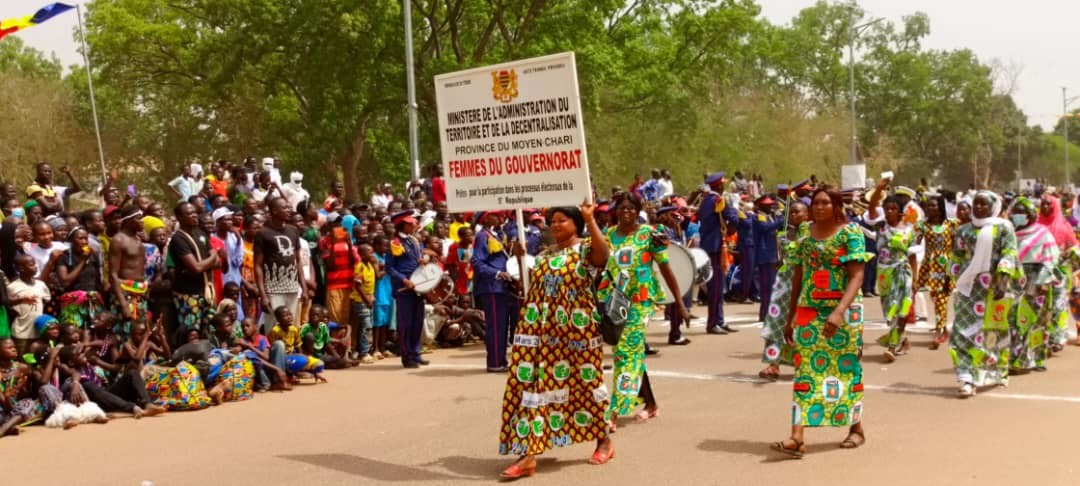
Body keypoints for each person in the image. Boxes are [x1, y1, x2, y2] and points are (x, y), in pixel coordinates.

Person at [497, 202, 613, 479]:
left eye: (562, 220)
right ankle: (528, 454)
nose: (556, 225)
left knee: (586, 384)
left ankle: (604, 440)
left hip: (576, 331)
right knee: (531, 386)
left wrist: (591, 219)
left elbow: (604, 257)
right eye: (553, 221)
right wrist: (522, 260)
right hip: (539, 332)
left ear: (576, 224)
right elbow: (532, 289)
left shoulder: (585, 248)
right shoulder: (544, 254)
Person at [771, 188, 870, 458]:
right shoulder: (805, 233)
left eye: (826, 202)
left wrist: (838, 311)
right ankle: (797, 436)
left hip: (844, 311)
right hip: (809, 308)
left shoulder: (851, 233)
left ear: (837, 205)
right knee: (804, 370)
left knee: (845, 368)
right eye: (816, 202)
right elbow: (798, 275)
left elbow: (857, 276)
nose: (820, 207)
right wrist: (791, 315)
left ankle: (856, 428)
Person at [599, 192, 689, 425]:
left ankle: (615, 410)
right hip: (616, 302)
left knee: (625, 351)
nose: (626, 212)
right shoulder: (609, 235)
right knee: (633, 352)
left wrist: (679, 303)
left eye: (631, 208)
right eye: (622, 207)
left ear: (637, 211)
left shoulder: (649, 234)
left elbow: (666, 269)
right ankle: (650, 404)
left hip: (641, 301)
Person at [949, 191, 1018, 398]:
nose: (978, 208)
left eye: (983, 204)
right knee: (962, 331)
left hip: (994, 288)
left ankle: (994, 371)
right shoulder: (963, 230)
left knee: (992, 332)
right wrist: (950, 279)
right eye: (975, 204)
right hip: (968, 288)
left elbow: (1009, 252)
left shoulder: (1004, 228)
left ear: (993, 207)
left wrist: (1003, 280)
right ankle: (966, 377)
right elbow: (957, 256)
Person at [865, 182, 918, 362]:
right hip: (884, 274)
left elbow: (912, 256)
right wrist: (879, 188)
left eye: (893, 208)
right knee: (889, 310)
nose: (889, 212)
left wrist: (916, 278)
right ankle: (903, 339)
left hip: (903, 273)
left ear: (900, 211)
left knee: (901, 308)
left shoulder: (909, 231)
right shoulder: (880, 226)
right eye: (887, 208)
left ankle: (892, 346)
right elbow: (871, 208)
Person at [758, 200, 808, 380]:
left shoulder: (813, 234)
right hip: (783, 285)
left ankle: (804, 365)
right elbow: (782, 258)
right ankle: (774, 364)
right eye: (791, 212)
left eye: (798, 212)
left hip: (806, 282)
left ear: (807, 215)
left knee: (803, 324)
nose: (794, 215)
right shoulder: (784, 234)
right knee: (775, 323)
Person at [1008, 196, 1058, 373]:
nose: (1018, 215)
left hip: (1036, 278)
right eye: (1015, 212)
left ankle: (1037, 358)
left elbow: (1051, 258)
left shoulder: (1042, 233)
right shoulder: (1010, 233)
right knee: (1015, 318)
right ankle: (1017, 359)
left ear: (1030, 214)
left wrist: (1043, 281)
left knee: (1035, 320)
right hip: (1016, 279)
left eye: (1022, 212)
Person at [255, 198, 309, 333]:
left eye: (288, 207)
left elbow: (298, 261)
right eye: (284, 208)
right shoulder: (263, 233)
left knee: (291, 325)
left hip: (292, 286)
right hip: (273, 287)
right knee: (273, 326)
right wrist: (263, 295)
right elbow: (258, 265)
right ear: (274, 211)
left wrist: (304, 288)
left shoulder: (293, 230)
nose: (289, 210)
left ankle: (289, 347)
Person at [472, 210, 517, 372]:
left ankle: (501, 360)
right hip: (491, 286)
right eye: (495, 215)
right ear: (486, 219)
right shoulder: (482, 236)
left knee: (503, 326)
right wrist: (497, 273)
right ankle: (495, 362)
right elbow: (476, 262)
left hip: (502, 286)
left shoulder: (498, 235)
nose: (500, 217)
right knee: (496, 326)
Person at [169, 203, 221, 338]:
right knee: (191, 332)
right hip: (189, 294)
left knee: (210, 329)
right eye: (189, 213)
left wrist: (205, 263)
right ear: (179, 217)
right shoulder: (178, 239)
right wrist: (213, 256)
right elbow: (196, 267)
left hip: (206, 292)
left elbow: (218, 263)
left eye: (195, 212)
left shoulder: (201, 234)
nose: (194, 215)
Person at [914, 193, 957, 349]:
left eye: (934, 205)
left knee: (940, 298)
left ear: (940, 207)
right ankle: (943, 327)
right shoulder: (922, 225)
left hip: (945, 266)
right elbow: (914, 243)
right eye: (928, 206)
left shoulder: (952, 224)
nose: (930, 208)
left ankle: (939, 331)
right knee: (934, 297)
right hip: (929, 265)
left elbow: (957, 246)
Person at [1036, 195, 1079, 350]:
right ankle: (1041, 338)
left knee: (1058, 305)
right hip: (1039, 271)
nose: (1045, 207)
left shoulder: (1064, 225)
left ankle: (1058, 338)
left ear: (1055, 206)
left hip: (1059, 272)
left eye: (1049, 204)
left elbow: (1074, 246)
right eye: (1043, 204)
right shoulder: (1035, 225)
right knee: (1041, 306)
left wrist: (1067, 254)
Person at [696, 172, 737, 334]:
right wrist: (733, 224)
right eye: (722, 184)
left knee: (718, 285)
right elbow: (732, 217)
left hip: (711, 245)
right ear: (719, 185)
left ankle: (719, 319)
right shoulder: (717, 200)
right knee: (715, 286)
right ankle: (713, 323)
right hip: (714, 247)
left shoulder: (706, 200)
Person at [387, 210, 427, 368]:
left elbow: (416, 260)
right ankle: (407, 356)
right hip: (404, 288)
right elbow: (390, 268)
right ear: (402, 225)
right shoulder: (395, 243)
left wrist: (421, 261)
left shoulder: (413, 240)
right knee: (406, 324)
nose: (414, 225)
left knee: (417, 322)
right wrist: (404, 280)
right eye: (410, 224)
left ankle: (416, 353)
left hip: (418, 285)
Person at [108, 206, 149, 342]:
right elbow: (113, 274)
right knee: (123, 332)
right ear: (128, 220)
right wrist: (123, 303)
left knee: (139, 332)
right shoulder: (118, 240)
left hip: (140, 292)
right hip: (125, 292)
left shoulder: (138, 239)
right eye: (138, 219)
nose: (142, 221)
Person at [55, 227, 105, 330]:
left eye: (86, 238)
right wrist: (83, 261)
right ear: (71, 240)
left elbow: (98, 280)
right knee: (74, 332)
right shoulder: (64, 256)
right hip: (73, 303)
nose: (84, 242)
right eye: (80, 238)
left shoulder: (93, 255)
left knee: (93, 330)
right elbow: (65, 282)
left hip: (92, 301)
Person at [6, 255, 50, 356]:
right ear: (21, 268)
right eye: (32, 264)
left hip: (39, 331)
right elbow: (8, 305)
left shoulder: (41, 285)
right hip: (22, 333)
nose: (36, 266)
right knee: (23, 358)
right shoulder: (13, 287)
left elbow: (46, 300)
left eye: (35, 263)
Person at [753, 195, 781, 321]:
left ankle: (768, 312)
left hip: (771, 255)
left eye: (771, 204)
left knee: (771, 286)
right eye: (767, 205)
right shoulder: (759, 216)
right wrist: (780, 220)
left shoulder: (769, 216)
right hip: (765, 256)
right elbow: (766, 228)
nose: (771, 207)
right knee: (767, 287)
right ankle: (765, 313)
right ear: (761, 206)